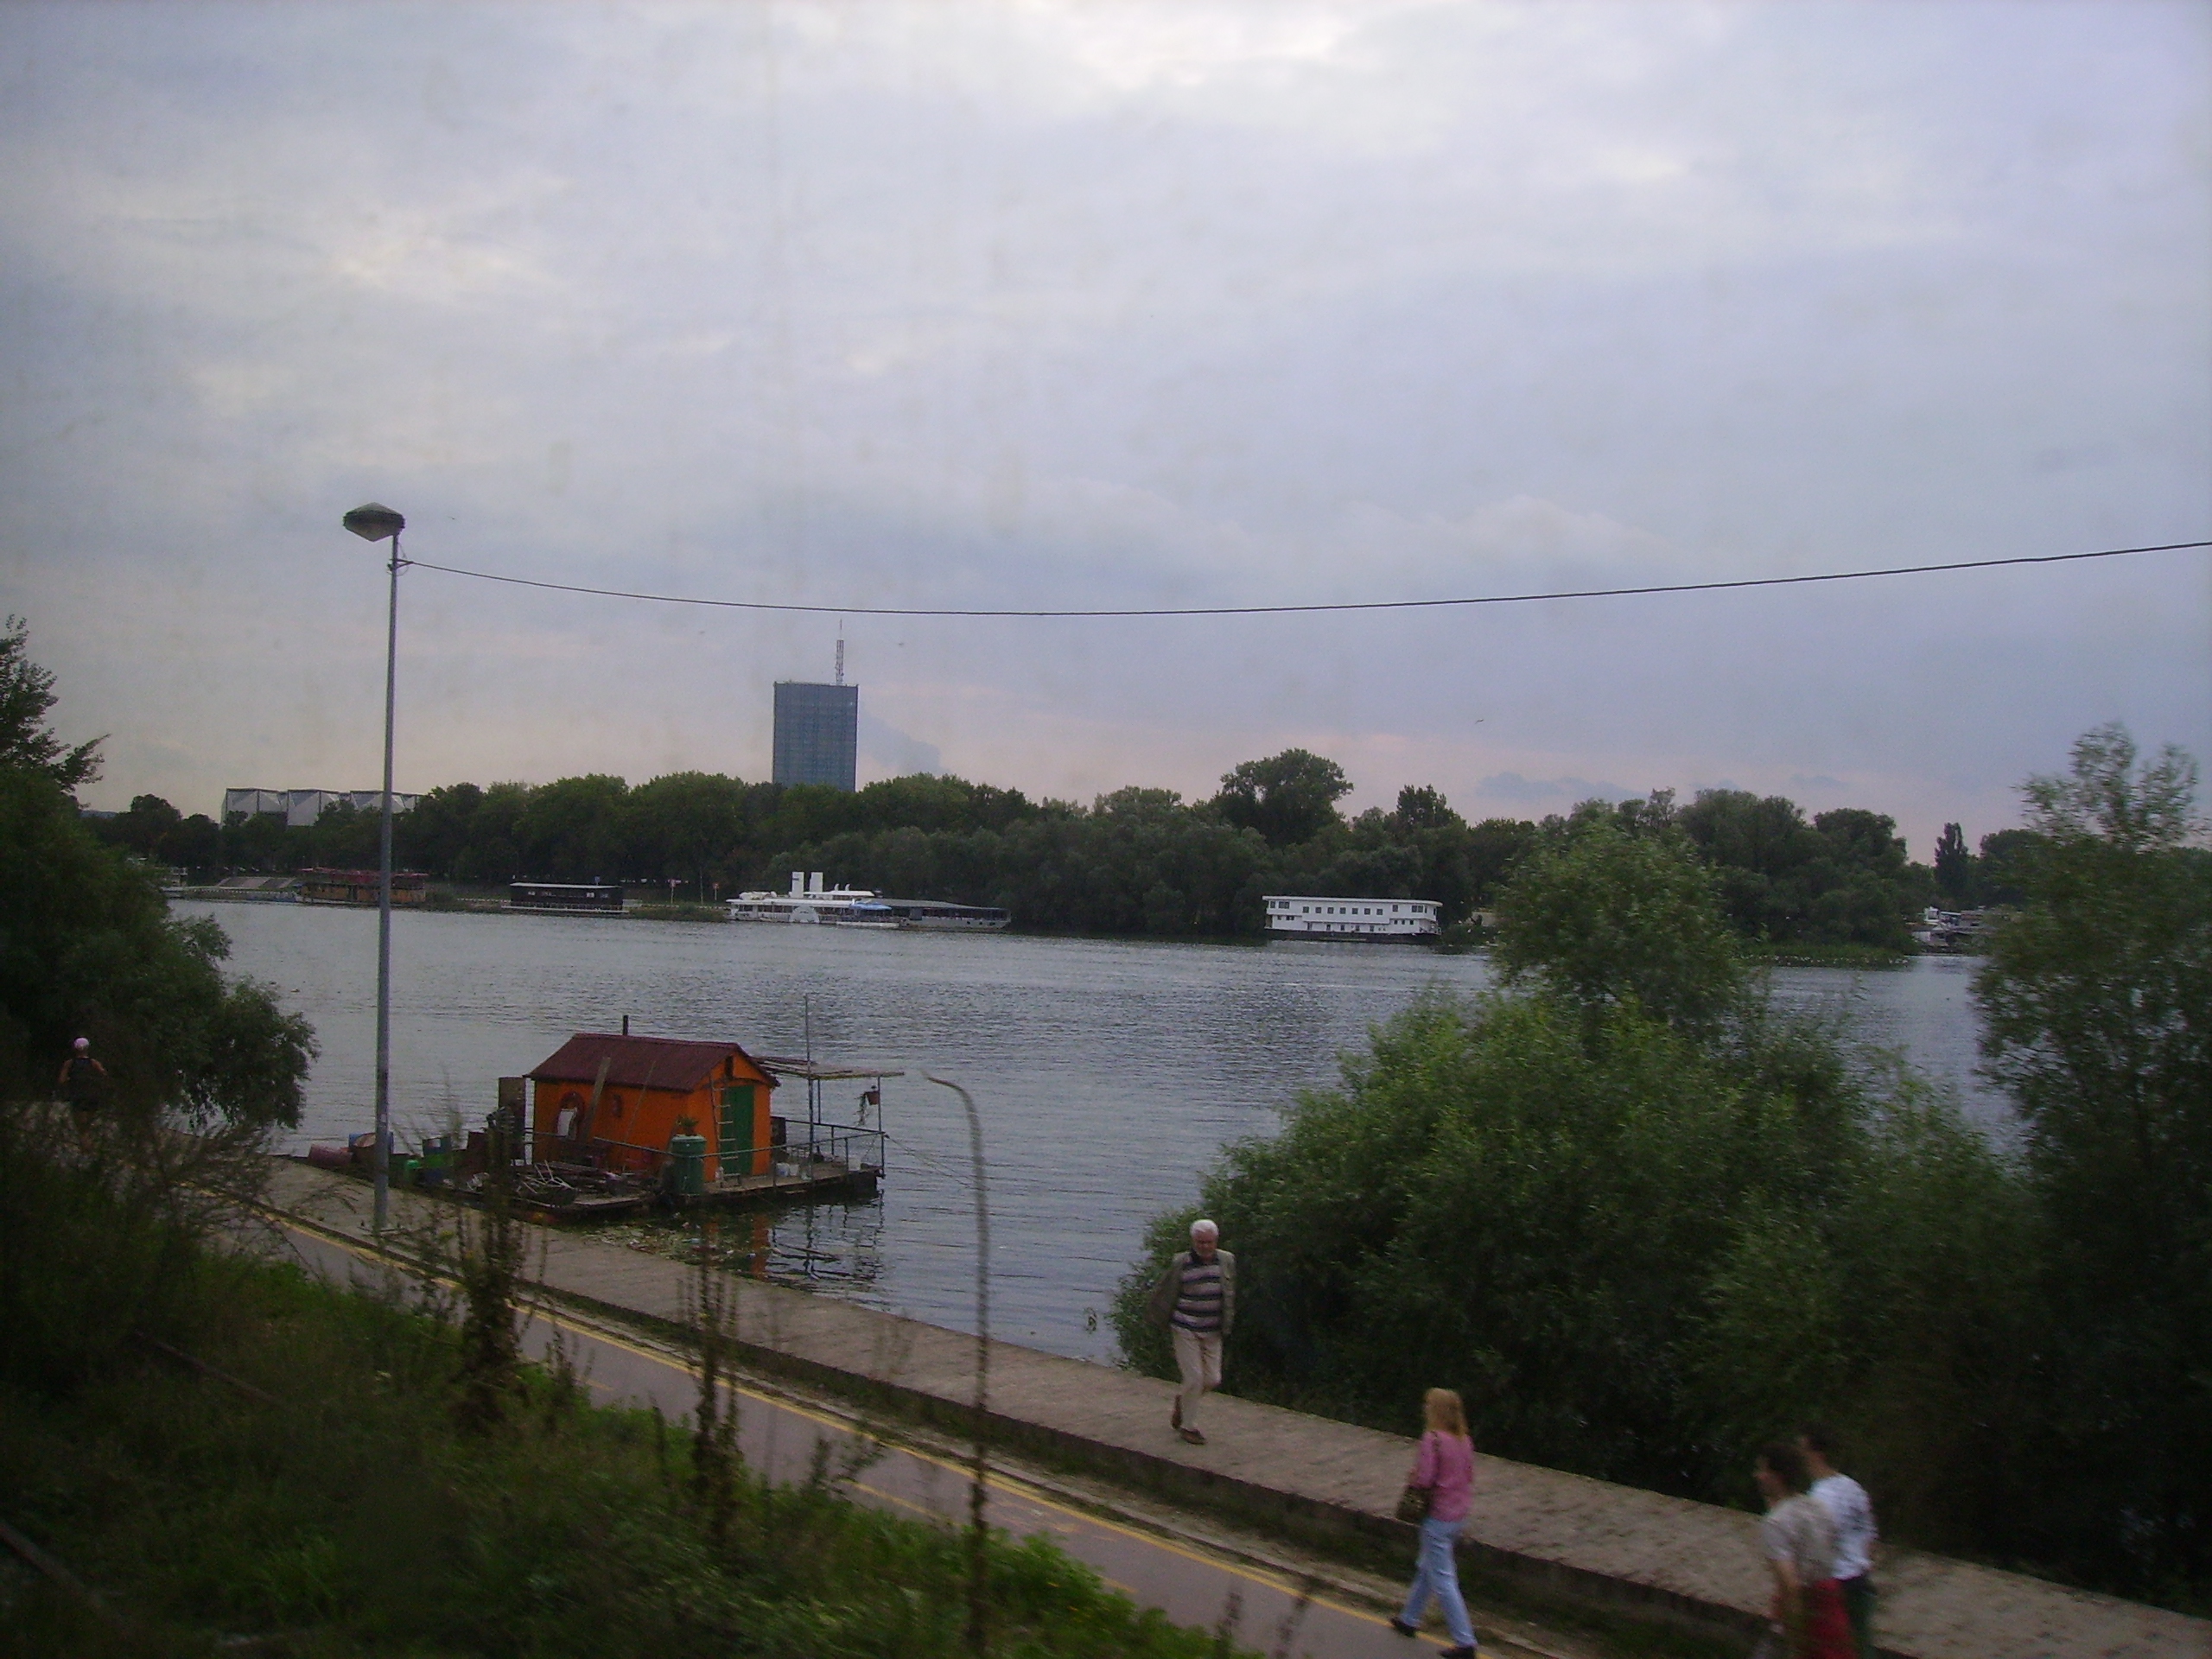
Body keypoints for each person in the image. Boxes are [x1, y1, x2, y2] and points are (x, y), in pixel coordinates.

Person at [1388, 1387, 1478, 1658]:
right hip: (1458, 1515)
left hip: (1437, 1516)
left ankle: (1465, 1641)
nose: (1424, 1409)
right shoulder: (1464, 1441)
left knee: (1443, 1579)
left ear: (1435, 1411)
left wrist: (1414, 1476)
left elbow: (1425, 1479)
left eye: (1428, 1405)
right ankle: (1409, 1619)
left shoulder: (1433, 1439)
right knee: (1427, 1568)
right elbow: (1469, 1475)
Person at [1754, 1441, 1855, 1659]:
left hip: (1805, 1615)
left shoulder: (1776, 1523)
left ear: (1777, 1476)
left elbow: (1791, 1585)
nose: (1758, 1476)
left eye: (1763, 1470)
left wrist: (1796, 1640)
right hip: (1832, 1610)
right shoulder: (1818, 1509)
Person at [1146, 1217, 1235, 1445]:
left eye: (1209, 1242)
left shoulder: (1226, 1261)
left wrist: (1227, 1321)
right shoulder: (1181, 1263)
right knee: (1194, 1379)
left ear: (1216, 1241)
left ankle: (1183, 1401)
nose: (1205, 1247)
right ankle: (1189, 1427)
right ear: (1193, 1241)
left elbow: (1229, 1292)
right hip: (1185, 1327)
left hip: (1213, 1330)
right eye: (1200, 1242)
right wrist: (1157, 1317)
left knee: (1213, 1379)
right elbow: (1165, 1290)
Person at [1798, 1425, 1878, 1659]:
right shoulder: (1854, 1488)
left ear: (1817, 1454)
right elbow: (1870, 1538)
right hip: (1860, 1583)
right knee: (1862, 1649)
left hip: (1836, 1586)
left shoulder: (1820, 1498)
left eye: (1802, 1449)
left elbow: (1817, 1547)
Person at [56, 1037, 108, 1152]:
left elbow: (61, 1080)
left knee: (81, 1127)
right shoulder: (94, 1063)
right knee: (87, 1124)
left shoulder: (69, 1064)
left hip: (78, 1096)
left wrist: (71, 1080)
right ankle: (88, 1147)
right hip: (92, 1096)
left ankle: (86, 1149)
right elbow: (104, 1074)